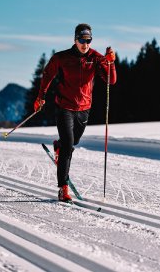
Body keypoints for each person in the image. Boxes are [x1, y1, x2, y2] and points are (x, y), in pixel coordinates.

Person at [34, 23, 117, 202]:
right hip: (64, 107)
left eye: (88, 40)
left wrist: (110, 62)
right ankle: (62, 188)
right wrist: (41, 96)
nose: (85, 44)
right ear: (75, 39)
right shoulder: (62, 57)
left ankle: (59, 147)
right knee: (68, 146)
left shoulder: (95, 58)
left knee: (73, 142)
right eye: (81, 40)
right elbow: (47, 75)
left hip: (84, 109)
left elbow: (111, 80)